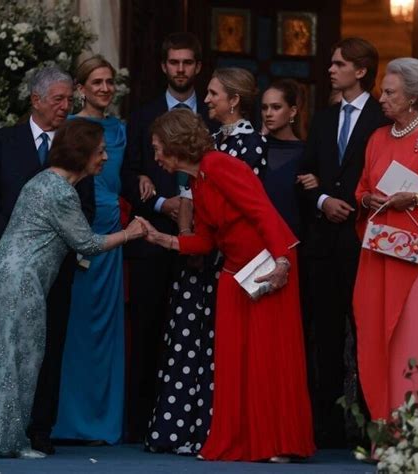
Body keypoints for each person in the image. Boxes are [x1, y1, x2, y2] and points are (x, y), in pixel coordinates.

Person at [139, 108, 315, 462]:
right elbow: (205, 241)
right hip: (235, 272)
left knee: (268, 357)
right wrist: (162, 239)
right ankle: (246, 441)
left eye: (158, 148)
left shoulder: (220, 166)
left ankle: (278, 442)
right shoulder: (199, 180)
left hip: (267, 266)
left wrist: (281, 262)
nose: (155, 156)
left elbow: (263, 212)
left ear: (175, 145)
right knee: (235, 360)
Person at [0, 119, 146, 458]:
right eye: (100, 152)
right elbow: (87, 243)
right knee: (20, 361)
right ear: (82, 154)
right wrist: (130, 233)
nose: (105, 158)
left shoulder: (42, 181)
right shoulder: (61, 192)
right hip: (21, 282)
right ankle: (9, 442)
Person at [145, 67, 266, 454]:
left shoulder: (251, 145)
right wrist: (183, 236)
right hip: (195, 250)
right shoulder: (210, 141)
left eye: (214, 93)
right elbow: (189, 197)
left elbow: (247, 210)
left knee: (215, 346)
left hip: (223, 258)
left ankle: (209, 430)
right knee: (185, 340)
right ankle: (177, 431)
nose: (207, 99)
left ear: (235, 100)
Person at [0, 66, 95, 455]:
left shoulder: (74, 144)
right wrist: (13, 247)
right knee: (0, 347)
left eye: (68, 99)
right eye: (58, 99)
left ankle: (39, 428)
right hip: (8, 266)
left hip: (55, 268)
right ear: (35, 100)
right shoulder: (2, 141)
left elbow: (85, 206)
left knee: (49, 346)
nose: (65, 107)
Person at [124, 32, 216, 442]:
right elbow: (126, 175)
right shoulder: (142, 116)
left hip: (208, 242)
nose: (180, 69)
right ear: (164, 67)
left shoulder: (215, 116)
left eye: (187, 62)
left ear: (198, 67)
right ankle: (144, 424)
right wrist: (162, 204)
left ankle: (198, 423)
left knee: (199, 334)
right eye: (174, 62)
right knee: (148, 330)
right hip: (155, 239)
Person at [298, 37, 389, 448]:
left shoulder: (382, 119)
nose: (331, 70)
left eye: (339, 64)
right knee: (326, 336)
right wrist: (321, 198)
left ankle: (372, 426)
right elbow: (303, 175)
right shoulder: (321, 119)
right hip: (321, 244)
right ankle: (328, 428)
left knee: (367, 335)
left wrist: (347, 199)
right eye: (332, 64)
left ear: (361, 70)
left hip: (364, 241)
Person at [53, 56, 147, 444]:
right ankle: (68, 421)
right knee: (74, 330)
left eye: (110, 82)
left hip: (113, 236)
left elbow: (126, 175)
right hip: (78, 232)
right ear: (81, 88)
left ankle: (104, 423)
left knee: (107, 332)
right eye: (97, 82)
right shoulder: (68, 128)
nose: (105, 88)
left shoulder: (122, 131)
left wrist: (140, 174)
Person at [354, 58, 418, 421]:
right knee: (373, 339)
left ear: (413, 99)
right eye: (382, 91)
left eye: (390, 92)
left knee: (411, 339)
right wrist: (364, 199)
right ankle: (384, 432)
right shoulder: (376, 138)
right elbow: (362, 187)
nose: (381, 98)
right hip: (378, 252)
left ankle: (414, 433)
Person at [261, 79, 307, 236]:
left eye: (276, 107)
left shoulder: (305, 153)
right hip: (255, 238)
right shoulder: (255, 148)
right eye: (264, 107)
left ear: (293, 111)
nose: (268, 113)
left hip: (292, 238)